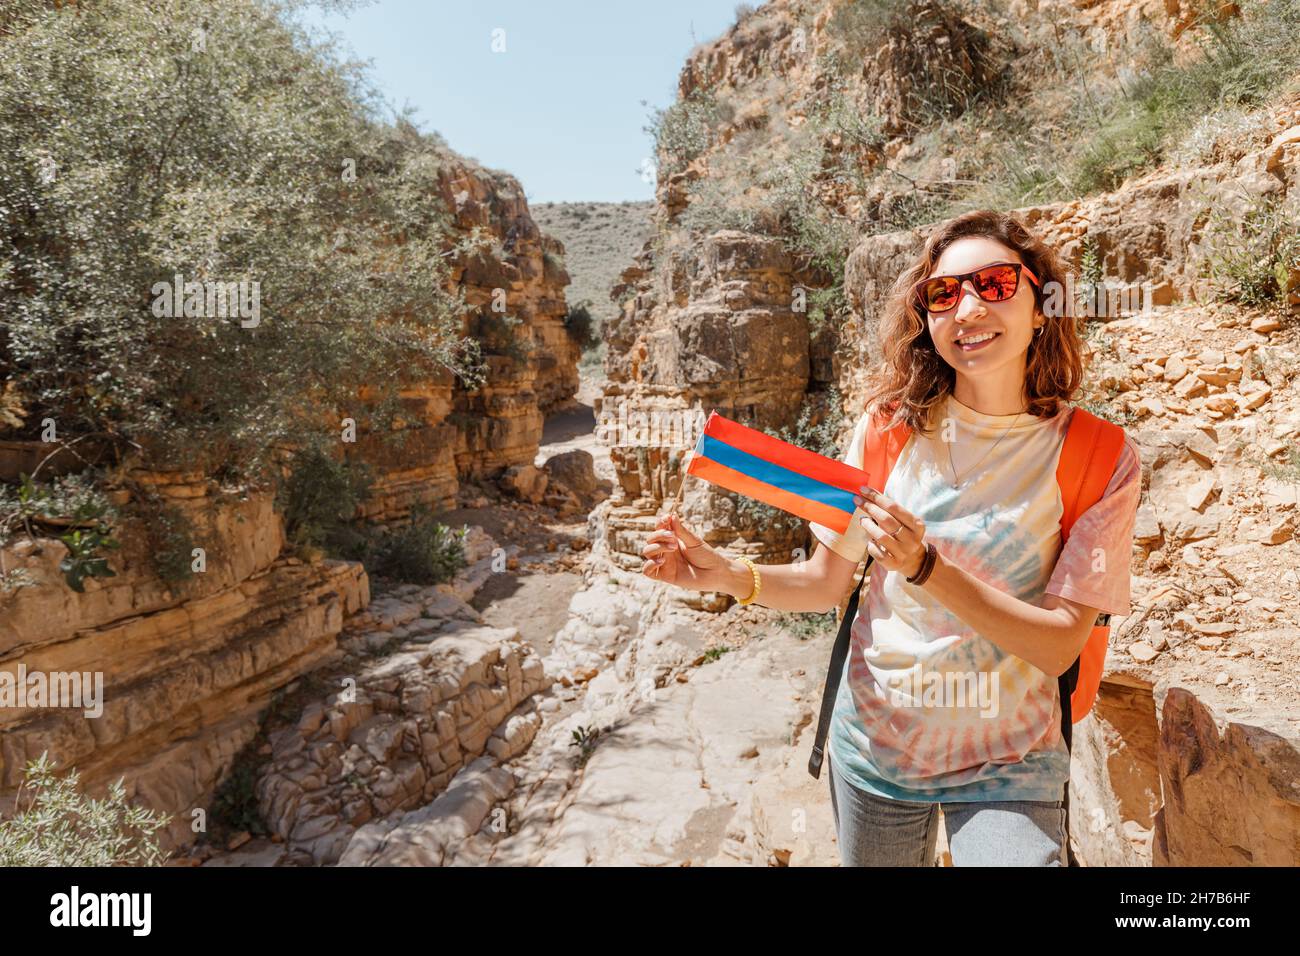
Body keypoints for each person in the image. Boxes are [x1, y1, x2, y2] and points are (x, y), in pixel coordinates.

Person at [640, 209, 1142, 866]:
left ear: (1041, 304)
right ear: (927, 319)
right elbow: (826, 583)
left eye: (993, 284)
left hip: (1011, 760)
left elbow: (1057, 647)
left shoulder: (1098, 455)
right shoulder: (889, 430)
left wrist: (926, 567)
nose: (966, 308)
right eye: (943, 293)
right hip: (876, 751)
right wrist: (726, 575)